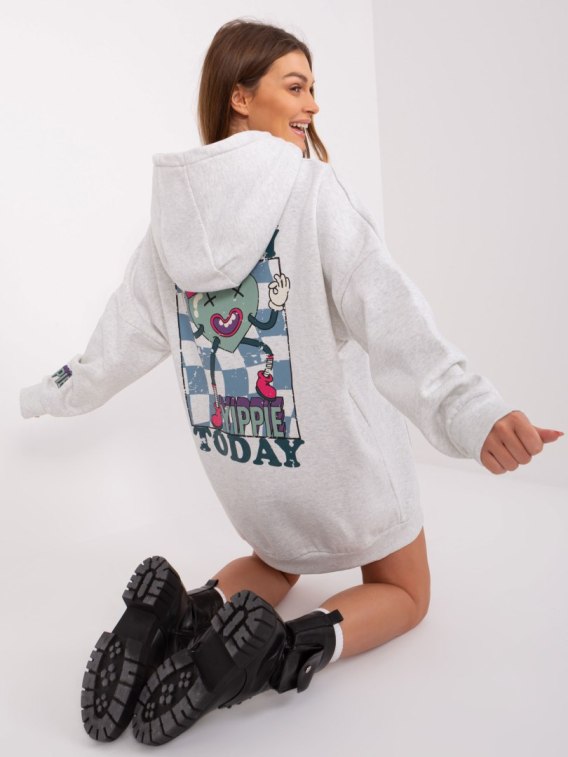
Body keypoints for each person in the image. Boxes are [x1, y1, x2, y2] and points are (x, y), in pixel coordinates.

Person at [20, 18, 563, 748]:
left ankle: (188, 610)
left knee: (276, 562)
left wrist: (48, 392)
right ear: (241, 96)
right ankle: (285, 651)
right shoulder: (312, 193)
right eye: (297, 85)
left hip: (250, 482)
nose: (313, 104)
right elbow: (393, 319)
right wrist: (474, 412)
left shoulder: (168, 226)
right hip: (340, 470)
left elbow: (115, 345)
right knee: (406, 591)